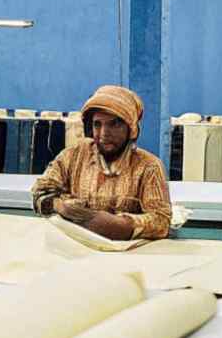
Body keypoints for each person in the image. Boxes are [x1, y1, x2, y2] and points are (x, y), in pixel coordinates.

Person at [31, 85, 174, 241]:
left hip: (127, 259)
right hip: (75, 253)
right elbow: (39, 193)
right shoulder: (74, 156)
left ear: (131, 129)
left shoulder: (148, 166)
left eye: (114, 124)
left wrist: (122, 225)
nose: (104, 133)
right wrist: (60, 207)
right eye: (97, 124)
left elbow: (162, 221)